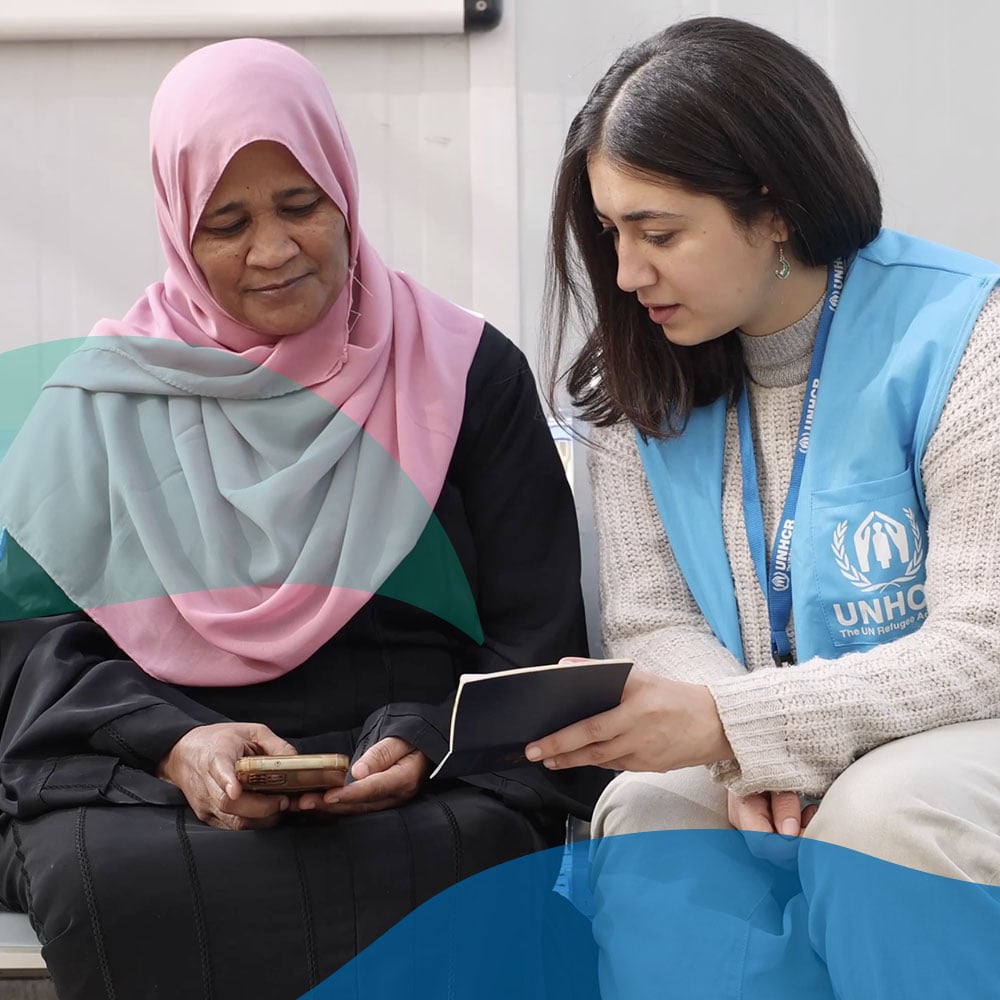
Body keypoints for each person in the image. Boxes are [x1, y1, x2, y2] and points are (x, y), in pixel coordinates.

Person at [0, 38, 606, 1000]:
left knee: (475, 859)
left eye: (300, 206)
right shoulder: (102, 400)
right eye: (227, 222)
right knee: (110, 880)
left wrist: (427, 737)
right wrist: (173, 740)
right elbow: (28, 646)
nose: (273, 251)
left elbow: (535, 634)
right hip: (165, 780)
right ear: (176, 231)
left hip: (419, 773)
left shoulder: (462, 372)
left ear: (345, 194)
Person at [533, 15, 1000, 999]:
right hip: (759, 740)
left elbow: (981, 647)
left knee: (883, 822)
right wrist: (744, 749)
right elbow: (652, 618)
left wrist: (736, 725)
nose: (624, 274)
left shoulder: (967, 336)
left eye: (659, 233)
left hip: (956, 734)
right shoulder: (632, 374)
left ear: (775, 207)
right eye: (612, 231)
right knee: (651, 810)